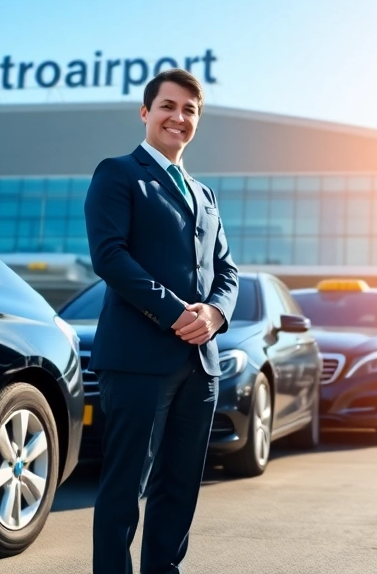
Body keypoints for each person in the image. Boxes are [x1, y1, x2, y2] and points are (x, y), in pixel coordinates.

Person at [85, 68, 239, 574]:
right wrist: (179, 315)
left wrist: (214, 314)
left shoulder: (205, 194)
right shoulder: (118, 173)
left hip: (200, 364)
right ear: (146, 112)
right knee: (125, 488)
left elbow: (227, 270)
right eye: (169, 106)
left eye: (190, 110)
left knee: (179, 489)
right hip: (137, 360)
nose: (179, 117)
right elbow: (110, 257)